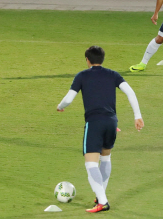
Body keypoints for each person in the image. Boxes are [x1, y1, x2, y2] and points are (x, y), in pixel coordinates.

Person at [57, 46, 144, 213]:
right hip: (112, 122)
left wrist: (60, 107)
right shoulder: (113, 74)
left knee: (91, 163)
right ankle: (100, 195)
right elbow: (130, 92)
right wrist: (137, 116)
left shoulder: (82, 75)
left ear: (88, 60)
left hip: (95, 123)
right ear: (102, 59)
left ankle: (103, 202)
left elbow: (68, 99)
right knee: (105, 158)